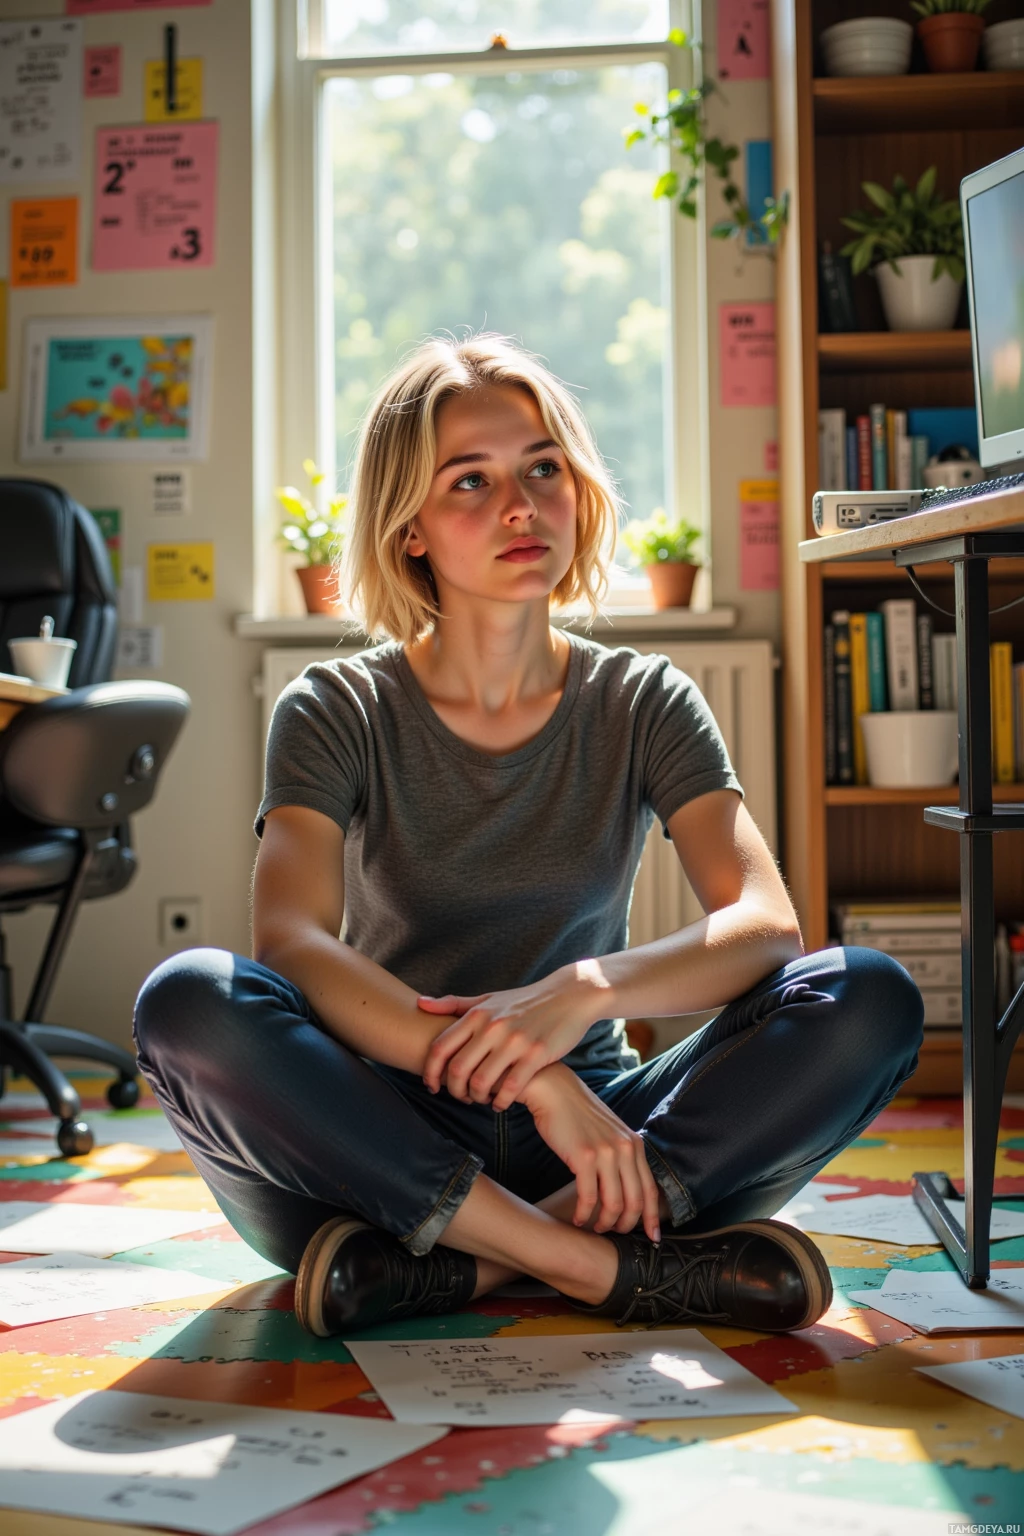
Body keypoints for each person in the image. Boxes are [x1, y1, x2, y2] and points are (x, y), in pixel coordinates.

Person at [133, 333, 924, 1339]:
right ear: (409, 526)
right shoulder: (334, 705)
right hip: (369, 1147)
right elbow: (291, 945)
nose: (519, 506)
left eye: (541, 468)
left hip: (607, 1146)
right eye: (469, 481)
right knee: (191, 999)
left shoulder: (644, 701)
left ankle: (460, 1271)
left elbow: (766, 924)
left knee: (867, 994)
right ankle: (598, 1266)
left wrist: (584, 995)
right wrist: (532, 1074)